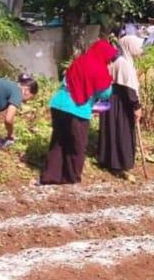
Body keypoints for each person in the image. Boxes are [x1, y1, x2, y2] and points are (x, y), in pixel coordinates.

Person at [40, 40, 117, 185]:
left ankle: (51, 175)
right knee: (77, 144)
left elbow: (66, 79)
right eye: (109, 58)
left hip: (58, 104)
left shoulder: (80, 61)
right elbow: (105, 93)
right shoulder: (99, 69)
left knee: (58, 141)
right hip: (77, 109)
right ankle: (71, 177)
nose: (110, 61)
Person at [97, 35, 145, 178]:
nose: (140, 49)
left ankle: (107, 160)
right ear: (129, 47)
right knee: (121, 131)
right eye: (137, 46)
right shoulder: (123, 63)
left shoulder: (115, 60)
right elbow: (129, 89)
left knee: (110, 129)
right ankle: (119, 163)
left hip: (109, 99)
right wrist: (136, 106)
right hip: (120, 102)